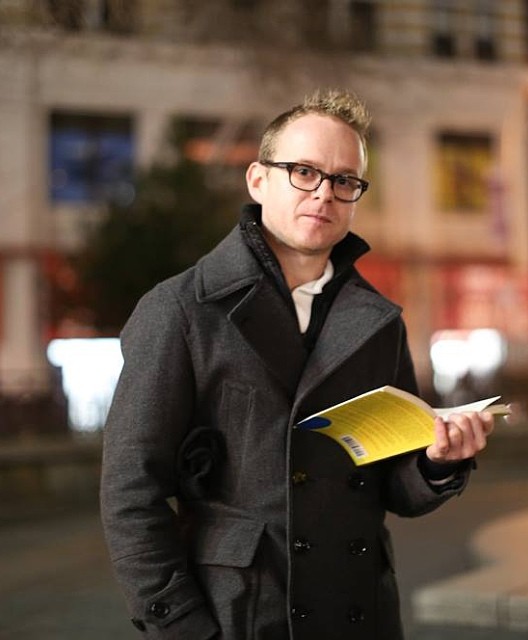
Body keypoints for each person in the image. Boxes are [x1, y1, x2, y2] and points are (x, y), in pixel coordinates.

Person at [100, 89, 495, 640]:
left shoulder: (379, 321)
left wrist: (437, 463)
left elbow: (393, 488)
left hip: (360, 611)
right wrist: (182, 626)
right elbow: (130, 493)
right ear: (258, 179)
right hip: (239, 615)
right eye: (304, 172)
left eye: (344, 180)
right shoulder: (182, 309)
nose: (324, 193)